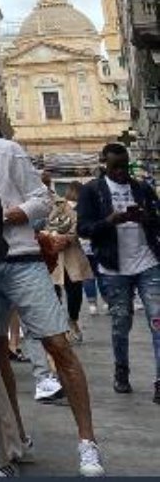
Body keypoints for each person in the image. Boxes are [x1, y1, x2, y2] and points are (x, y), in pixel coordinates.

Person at [0, 94, 103, 475]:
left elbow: (43, 198)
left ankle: (87, 442)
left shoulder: (4, 149)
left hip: (21, 258)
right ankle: (16, 437)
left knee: (58, 345)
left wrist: (8, 215)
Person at [76, 141, 160, 404]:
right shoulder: (93, 191)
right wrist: (108, 222)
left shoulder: (142, 188)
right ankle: (121, 370)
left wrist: (147, 217)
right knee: (120, 323)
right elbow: (83, 229)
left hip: (148, 263)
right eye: (115, 167)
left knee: (158, 322)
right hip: (114, 268)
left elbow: (158, 219)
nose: (122, 172)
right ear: (105, 164)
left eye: (125, 166)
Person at [42, 179, 93, 342]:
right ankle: (61, 325)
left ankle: (71, 321)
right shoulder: (58, 205)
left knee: (72, 289)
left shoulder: (79, 208)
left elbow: (79, 228)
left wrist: (66, 237)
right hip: (56, 252)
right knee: (59, 290)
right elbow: (49, 223)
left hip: (69, 253)